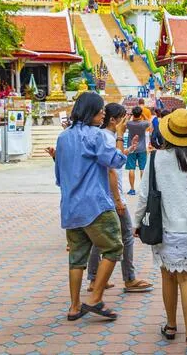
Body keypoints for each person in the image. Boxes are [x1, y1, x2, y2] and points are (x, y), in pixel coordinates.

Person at [134, 109, 187, 354]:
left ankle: (170, 326)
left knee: (167, 276)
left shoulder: (156, 158)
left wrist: (137, 223)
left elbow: (144, 194)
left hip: (163, 227)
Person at [53, 92, 139, 321]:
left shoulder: (63, 137)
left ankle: (74, 306)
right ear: (91, 111)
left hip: (71, 205)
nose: (103, 113)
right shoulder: (95, 136)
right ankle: (95, 298)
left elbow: (59, 176)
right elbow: (116, 161)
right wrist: (120, 137)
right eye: (100, 110)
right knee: (113, 248)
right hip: (96, 203)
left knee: (77, 258)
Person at [84, 103, 154, 294]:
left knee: (101, 241)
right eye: (123, 118)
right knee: (126, 237)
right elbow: (110, 170)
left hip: (104, 196)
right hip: (110, 196)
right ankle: (129, 278)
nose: (126, 122)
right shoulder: (107, 136)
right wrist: (117, 199)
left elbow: (114, 158)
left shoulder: (105, 136)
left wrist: (128, 149)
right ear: (113, 119)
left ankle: (94, 278)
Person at [126, 106, 151, 195]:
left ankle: (132, 189)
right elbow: (149, 122)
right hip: (142, 149)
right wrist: (143, 115)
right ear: (140, 114)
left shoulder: (129, 124)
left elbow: (124, 123)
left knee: (131, 168)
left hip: (131, 148)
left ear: (133, 114)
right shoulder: (143, 124)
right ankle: (143, 189)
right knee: (142, 168)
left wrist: (129, 116)